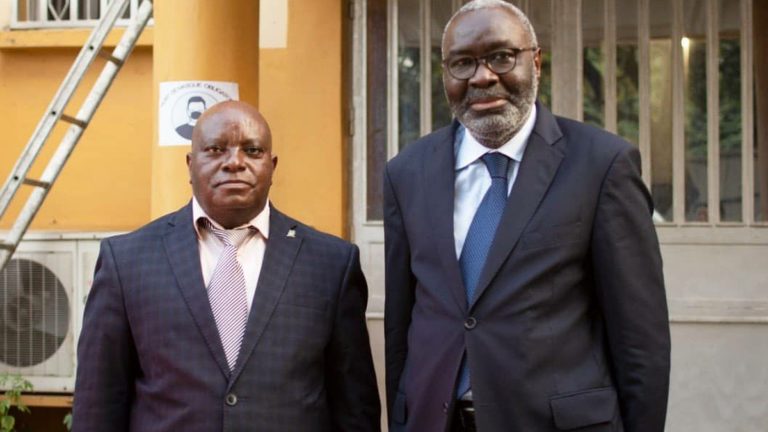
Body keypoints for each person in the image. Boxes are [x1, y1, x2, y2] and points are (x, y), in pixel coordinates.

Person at [383, 1, 670, 431]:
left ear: (535, 62)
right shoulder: (406, 173)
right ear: (445, 74)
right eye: (462, 63)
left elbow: (640, 340)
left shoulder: (602, 165)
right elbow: (401, 325)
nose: (482, 76)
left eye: (501, 56)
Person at [73, 101, 380, 432]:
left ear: (272, 166)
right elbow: (97, 405)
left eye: (252, 150)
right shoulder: (127, 261)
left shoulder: (330, 264)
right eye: (216, 149)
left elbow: (355, 409)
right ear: (190, 165)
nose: (235, 162)